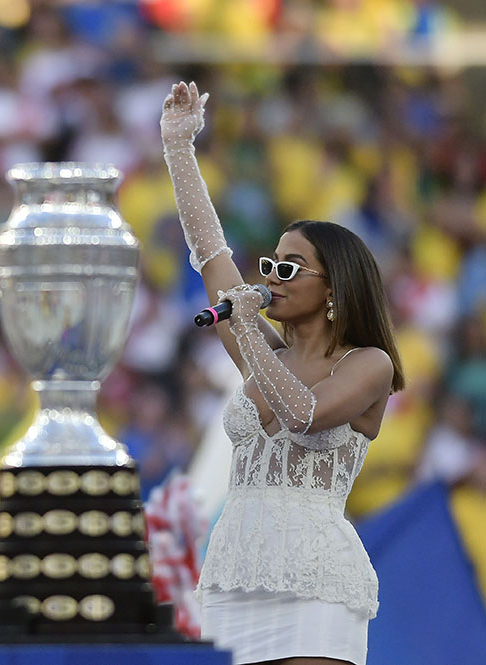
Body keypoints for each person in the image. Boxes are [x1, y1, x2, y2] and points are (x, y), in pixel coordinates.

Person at [160, 81, 405, 665]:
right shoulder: (262, 350)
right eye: (269, 264)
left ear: (333, 288)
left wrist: (246, 330)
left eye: (289, 268)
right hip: (235, 572)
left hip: (314, 584)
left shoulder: (369, 364)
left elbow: (305, 414)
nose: (271, 278)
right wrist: (178, 149)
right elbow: (209, 251)